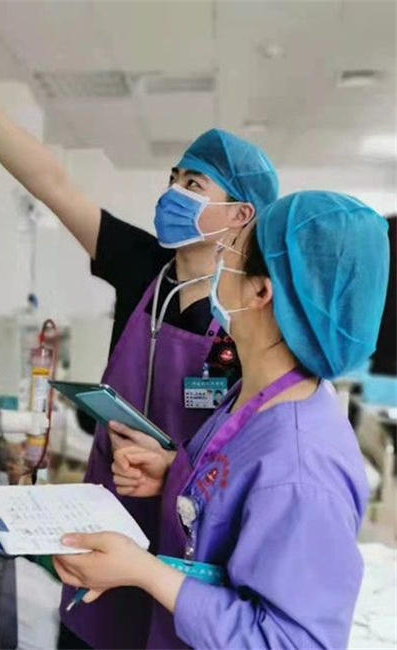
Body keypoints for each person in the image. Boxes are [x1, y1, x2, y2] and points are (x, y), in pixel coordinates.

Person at [0, 23, 278, 648]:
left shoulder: (253, 311)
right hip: (100, 523)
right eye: (174, 177)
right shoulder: (142, 267)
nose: (173, 193)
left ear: (240, 214)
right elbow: (51, 182)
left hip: (188, 543)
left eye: (193, 185)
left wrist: (175, 469)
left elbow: (259, 449)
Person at [53, 191, 390, 649]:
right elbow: (233, 496)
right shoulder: (256, 395)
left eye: (230, 248)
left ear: (261, 291)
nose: (218, 259)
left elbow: (290, 641)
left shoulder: (301, 468)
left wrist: (145, 571)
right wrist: (174, 473)